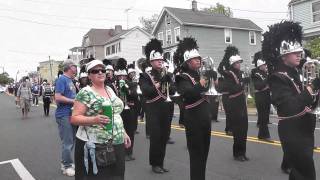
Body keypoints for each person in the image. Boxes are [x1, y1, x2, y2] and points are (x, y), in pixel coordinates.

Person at [262, 21, 317, 180]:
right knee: (306, 175)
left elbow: (309, 103)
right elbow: (290, 107)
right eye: (295, 52)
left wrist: (316, 90)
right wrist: (310, 89)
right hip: (293, 132)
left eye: (300, 51)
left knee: (298, 174)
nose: (300, 54)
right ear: (284, 56)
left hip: (305, 130)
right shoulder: (277, 78)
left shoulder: (297, 74)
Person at [71, 60, 131, 180]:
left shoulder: (109, 89)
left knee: (117, 175)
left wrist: (123, 132)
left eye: (102, 70)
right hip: (96, 145)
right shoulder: (85, 92)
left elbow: (115, 114)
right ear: (89, 75)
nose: (100, 73)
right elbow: (74, 118)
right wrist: (94, 119)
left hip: (116, 142)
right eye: (95, 71)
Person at [174, 37, 211, 180]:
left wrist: (210, 81)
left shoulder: (200, 75)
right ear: (188, 62)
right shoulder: (182, 77)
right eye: (195, 59)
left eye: (199, 59)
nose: (199, 61)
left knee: (204, 153)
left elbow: (206, 91)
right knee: (196, 154)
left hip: (204, 118)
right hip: (193, 119)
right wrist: (200, 85)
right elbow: (187, 95)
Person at [139, 38, 174, 173]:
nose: (161, 62)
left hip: (166, 108)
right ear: (151, 62)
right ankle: (155, 164)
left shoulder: (165, 74)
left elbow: (172, 91)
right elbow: (146, 91)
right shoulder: (145, 76)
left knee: (164, 137)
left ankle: (161, 162)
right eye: (157, 60)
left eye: (161, 60)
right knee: (156, 138)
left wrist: (170, 82)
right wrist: (159, 83)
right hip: (153, 109)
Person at [219, 47, 249, 162]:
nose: (239, 64)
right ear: (232, 64)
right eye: (237, 63)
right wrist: (242, 83)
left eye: (239, 62)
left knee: (244, 128)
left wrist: (246, 80)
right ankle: (237, 153)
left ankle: (243, 152)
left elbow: (241, 86)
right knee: (238, 130)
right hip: (234, 103)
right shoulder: (228, 74)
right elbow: (230, 89)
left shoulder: (240, 73)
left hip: (241, 102)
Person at [54, 59, 78, 176]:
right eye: (74, 65)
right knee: (67, 142)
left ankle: (67, 162)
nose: (76, 67)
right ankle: (66, 166)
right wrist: (73, 101)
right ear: (69, 67)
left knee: (71, 140)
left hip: (71, 114)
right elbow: (57, 97)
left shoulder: (71, 80)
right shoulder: (62, 79)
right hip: (63, 114)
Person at [115, 59, 138, 161]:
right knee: (119, 132)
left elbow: (135, 95)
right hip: (118, 111)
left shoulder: (132, 84)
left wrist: (127, 90)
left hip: (129, 109)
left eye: (123, 76)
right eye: (120, 76)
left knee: (130, 131)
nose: (122, 78)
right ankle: (121, 153)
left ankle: (129, 152)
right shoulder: (113, 85)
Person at [251, 51, 272, 142]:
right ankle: (264, 135)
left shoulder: (265, 73)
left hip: (266, 96)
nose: (265, 66)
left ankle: (261, 135)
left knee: (265, 116)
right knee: (263, 117)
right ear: (260, 66)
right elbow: (258, 86)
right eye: (264, 65)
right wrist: (268, 80)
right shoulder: (256, 74)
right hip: (261, 97)